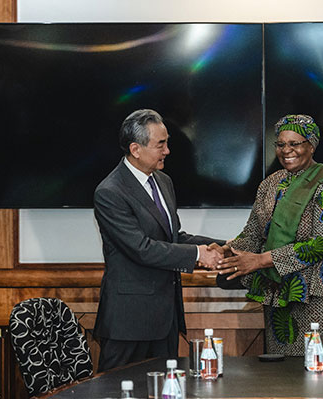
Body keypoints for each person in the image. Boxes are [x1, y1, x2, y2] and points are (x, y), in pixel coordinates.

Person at [216, 114, 323, 356]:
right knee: (283, 370)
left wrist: (259, 260)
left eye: (295, 143)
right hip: (281, 288)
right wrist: (229, 251)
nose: (286, 150)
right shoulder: (270, 183)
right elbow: (254, 232)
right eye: (281, 144)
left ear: (311, 145)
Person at [93, 109, 224, 372]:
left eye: (167, 142)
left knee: (166, 388)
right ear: (136, 149)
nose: (167, 151)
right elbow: (141, 249)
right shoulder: (109, 192)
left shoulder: (163, 181)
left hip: (165, 319)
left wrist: (224, 245)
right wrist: (199, 255)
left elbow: (175, 237)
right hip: (128, 323)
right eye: (160, 144)